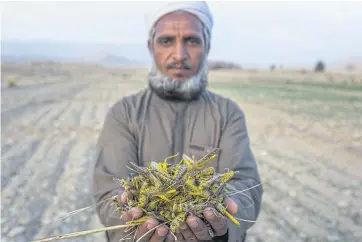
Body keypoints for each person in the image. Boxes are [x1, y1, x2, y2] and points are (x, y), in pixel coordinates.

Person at [92, 2, 263, 242]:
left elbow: (245, 187)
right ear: (151, 47)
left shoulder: (227, 113)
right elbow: (109, 191)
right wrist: (132, 219)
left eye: (192, 41)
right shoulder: (125, 113)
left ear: (207, 46)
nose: (179, 54)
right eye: (166, 41)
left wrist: (220, 224)